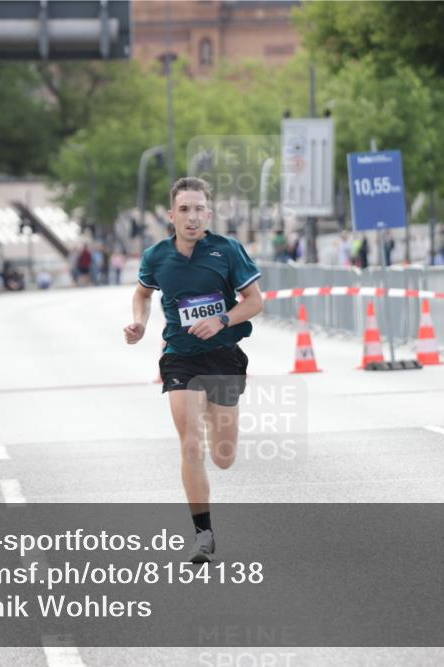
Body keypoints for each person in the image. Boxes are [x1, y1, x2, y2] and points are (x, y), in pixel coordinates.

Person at [124, 177, 263, 564]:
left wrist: (222, 319)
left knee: (223, 456)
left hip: (222, 356)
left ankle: (214, 426)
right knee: (189, 442)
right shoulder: (156, 256)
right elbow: (142, 293)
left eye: (199, 209)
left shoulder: (227, 250)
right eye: (184, 209)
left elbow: (254, 302)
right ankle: (203, 534)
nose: (192, 217)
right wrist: (139, 323)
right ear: (172, 216)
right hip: (180, 356)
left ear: (209, 213)